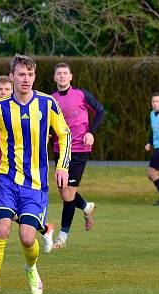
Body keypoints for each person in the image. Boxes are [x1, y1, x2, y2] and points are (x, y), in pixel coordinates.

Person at [0, 54, 71, 294]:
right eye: (21, 74)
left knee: (28, 237)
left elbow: (65, 134)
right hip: (7, 180)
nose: (25, 79)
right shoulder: (0, 107)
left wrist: (62, 165)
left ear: (34, 76)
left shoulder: (48, 104)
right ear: (12, 77)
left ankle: (31, 269)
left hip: (36, 185)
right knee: (3, 228)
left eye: (30, 74)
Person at [0, 75, 56, 256]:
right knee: (5, 210)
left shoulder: (28, 110)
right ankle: (44, 228)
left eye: (6, 89)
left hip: (16, 172)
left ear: (13, 90)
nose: (3, 92)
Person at [49, 63, 103, 250]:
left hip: (79, 148)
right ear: (54, 77)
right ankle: (86, 207)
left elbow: (100, 111)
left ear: (71, 76)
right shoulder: (50, 99)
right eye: (59, 74)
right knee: (64, 192)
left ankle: (62, 237)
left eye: (65, 73)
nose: (62, 76)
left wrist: (91, 132)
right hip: (59, 149)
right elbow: (47, 123)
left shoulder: (81, 95)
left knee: (68, 193)